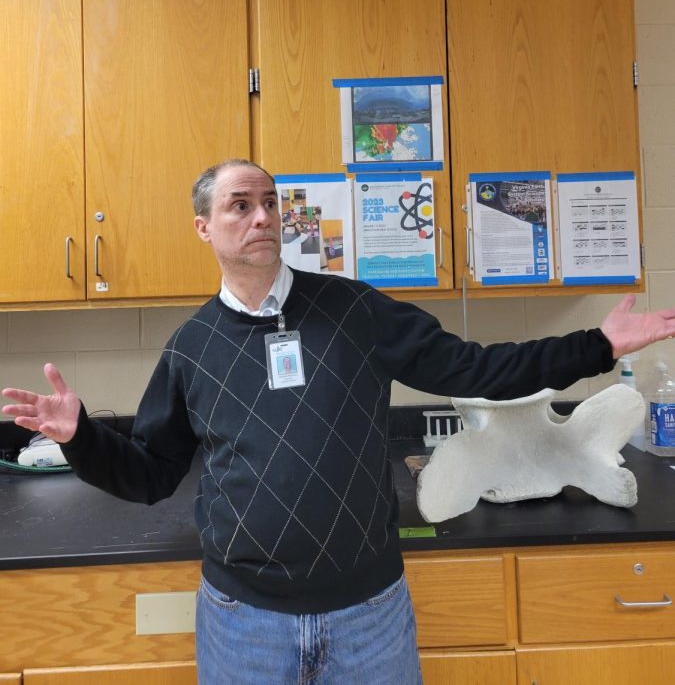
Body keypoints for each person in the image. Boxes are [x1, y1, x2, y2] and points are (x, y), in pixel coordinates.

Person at [3, 157, 675, 685]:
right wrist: (82, 437)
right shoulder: (191, 349)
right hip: (244, 623)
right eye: (240, 204)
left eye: (270, 202)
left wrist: (598, 345)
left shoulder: (356, 312)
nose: (261, 215)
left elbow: (475, 370)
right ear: (204, 227)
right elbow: (150, 474)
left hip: (368, 616)